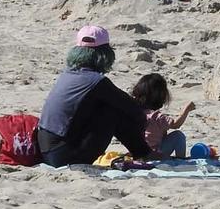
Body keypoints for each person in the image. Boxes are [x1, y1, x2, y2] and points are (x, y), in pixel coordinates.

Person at [36, 26, 153, 166]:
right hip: (64, 156)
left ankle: (142, 152)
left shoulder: (67, 75)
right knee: (112, 111)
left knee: (104, 106)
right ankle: (144, 153)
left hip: (46, 151)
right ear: (105, 54)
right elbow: (132, 108)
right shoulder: (96, 82)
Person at [130, 74, 195, 159]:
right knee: (178, 136)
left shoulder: (136, 112)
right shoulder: (156, 116)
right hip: (155, 154)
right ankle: (181, 159)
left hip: (138, 152)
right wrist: (187, 110)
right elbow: (176, 124)